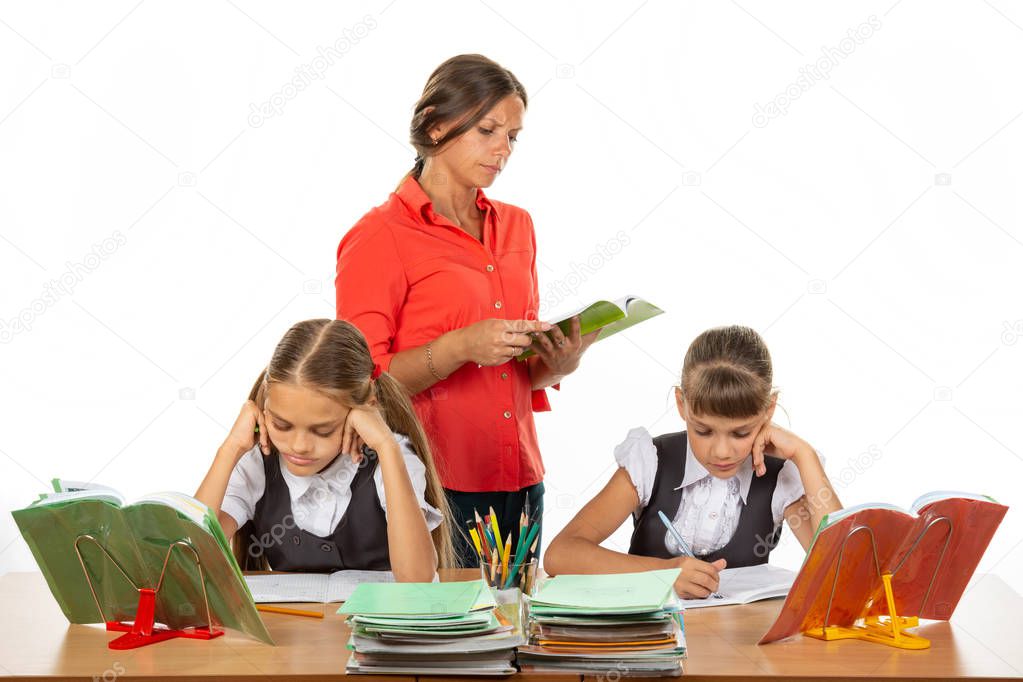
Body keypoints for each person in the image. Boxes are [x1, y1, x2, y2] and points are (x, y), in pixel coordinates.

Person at [336, 54, 595, 566]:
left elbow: (516, 368)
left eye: (513, 136)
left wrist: (558, 363)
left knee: (514, 631)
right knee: (445, 637)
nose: (504, 149)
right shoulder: (378, 236)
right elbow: (359, 386)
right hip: (431, 485)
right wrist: (460, 346)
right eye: (488, 130)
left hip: (520, 478)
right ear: (435, 127)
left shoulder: (517, 226)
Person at [543, 325, 841, 598]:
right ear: (681, 404)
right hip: (649, 644)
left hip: (738, 649)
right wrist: (662, 575)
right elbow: (561, 554)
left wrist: (805, 456)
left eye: (741, 432)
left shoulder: (779, 478)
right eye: (703, 430)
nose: (722, 451)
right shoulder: (652, 462)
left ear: (769, 410)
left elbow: (844, 573)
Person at [195, 319, 452, 580]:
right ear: (266, 407)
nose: (299, 446)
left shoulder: (392, 459)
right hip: (290, 622)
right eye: (281, 425)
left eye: (323, 431)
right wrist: (228, 450)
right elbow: (191, 557)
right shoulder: (258, 462)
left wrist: (386, 447)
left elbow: (417, 579)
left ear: (365, 409)